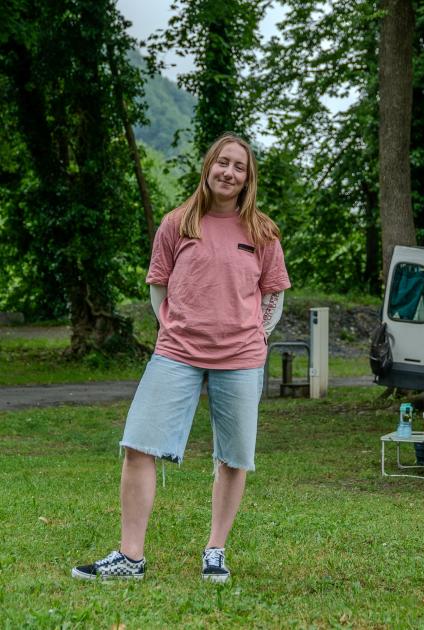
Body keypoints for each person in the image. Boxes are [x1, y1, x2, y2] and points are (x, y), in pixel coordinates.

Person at [72, 133, 291, 583]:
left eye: (239, 167)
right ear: (208, 166)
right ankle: (130, 557)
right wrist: (171, 325)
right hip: (177, 353)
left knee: (233, 457)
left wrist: (258, 334)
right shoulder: (178, 223)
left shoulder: (262, 232)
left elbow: (273, 295)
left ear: (248, 178)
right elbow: (159, 285)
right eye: (222, 163)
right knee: (138, 445)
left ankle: (216, 550)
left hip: (241, 357)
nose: (228, 173)